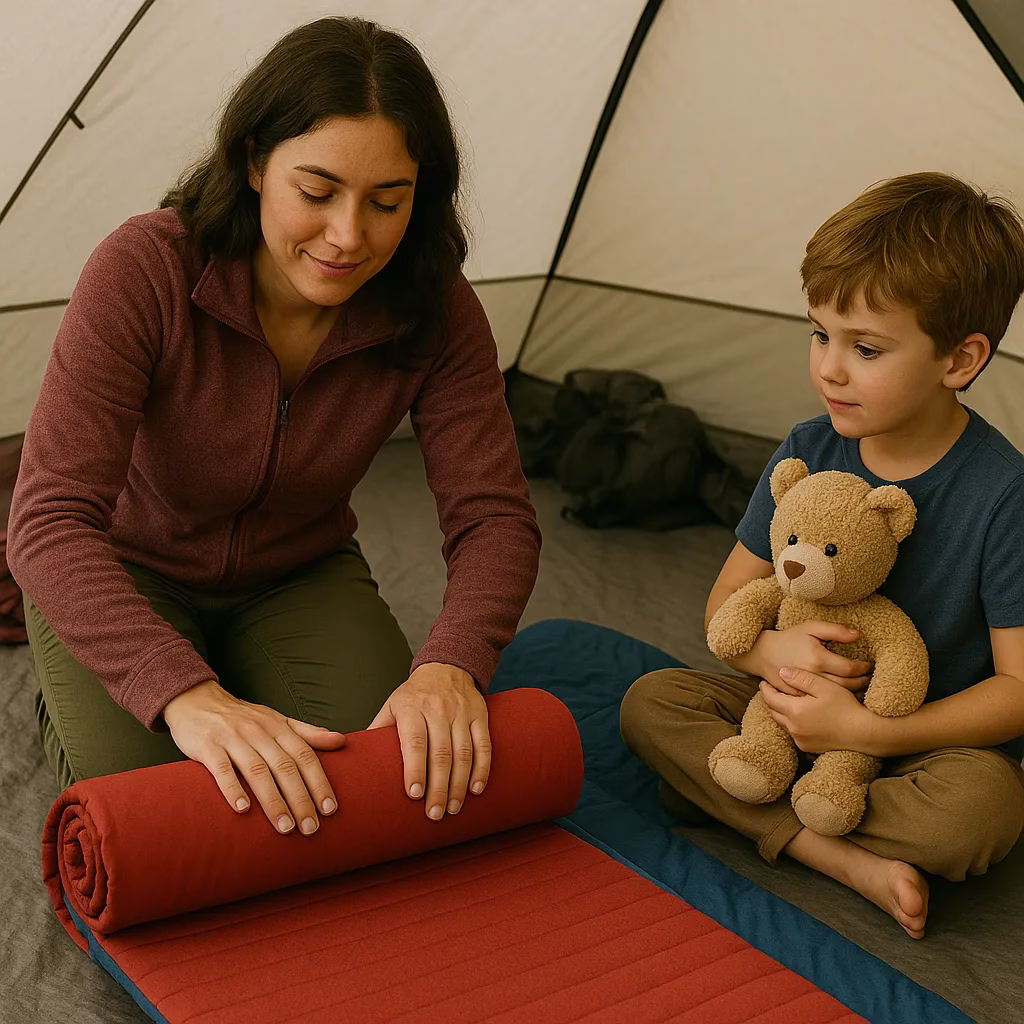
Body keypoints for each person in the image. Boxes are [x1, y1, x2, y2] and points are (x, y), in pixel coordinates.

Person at [7, 17, 541, 838]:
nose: (348, 236)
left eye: (387, 201)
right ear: (254, 161)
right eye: (317, 192)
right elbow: (47, 523)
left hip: (296, 572)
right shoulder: (144, 270)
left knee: (397, 779)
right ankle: (84, 690)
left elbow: (494, 515)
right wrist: (184, 694)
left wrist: (452, 664)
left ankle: (227, 676)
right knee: (169, 814)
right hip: (128, 571)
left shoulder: (432, 304)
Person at [620, 171, 1024, 939]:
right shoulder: (808, 450)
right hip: (785, 720)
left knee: (982, 813)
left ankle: (747, 806)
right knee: (651, 705)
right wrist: (775, 650)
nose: (829, 368)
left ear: (960, 359)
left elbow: (1017, 690)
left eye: (865, 347)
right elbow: (723, 610)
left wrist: (869, 734)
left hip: (917, 750)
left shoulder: (1005, 495)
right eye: (819, 334)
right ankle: (831, 852)